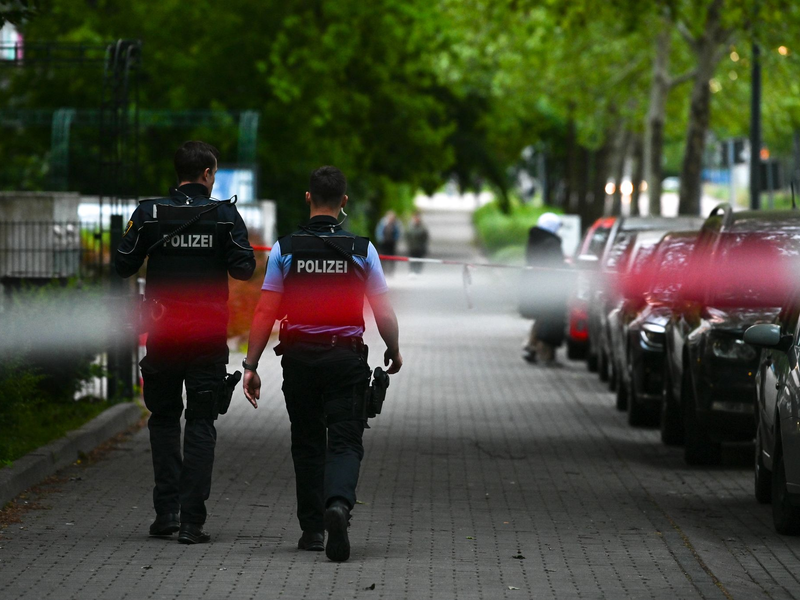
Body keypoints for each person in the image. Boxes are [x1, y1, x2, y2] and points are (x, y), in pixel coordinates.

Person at [242, 166, 403, 562]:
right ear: (344, 201)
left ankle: (313, 530)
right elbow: (382, 310)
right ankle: (339, 506)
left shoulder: (285, 248)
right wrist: (393, 349)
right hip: (346, 358)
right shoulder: (362, 250)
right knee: (345, 441)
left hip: (299, 360)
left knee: (308, 442)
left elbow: (265, 310)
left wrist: (251, 364)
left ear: (308, 197)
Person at [116, 141, 255, 544]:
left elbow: (123, 264)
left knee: (162, 419)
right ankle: (193, 522)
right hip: (207, 337)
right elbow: (244, 269)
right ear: (208, 173)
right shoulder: (225, 216)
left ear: (177, 173)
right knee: (201, 421)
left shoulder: (148, 214)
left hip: (163, 334)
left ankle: (167, 513)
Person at [521, 212, 567, 364]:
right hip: (550, 285)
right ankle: (541, 351)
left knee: (541, 317)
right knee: (548, 318)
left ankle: (532, 346)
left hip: (534, 283)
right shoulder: (551, 242)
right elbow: (556, 265)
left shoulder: (534, 239)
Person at [374, 210, 402, 276]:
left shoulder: (396, 224)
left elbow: (398, 233)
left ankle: (390, 271)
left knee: (392, 257)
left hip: (391, 243)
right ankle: (383, 270)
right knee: (383, 256)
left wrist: (395, 239)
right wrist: (380, 239)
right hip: (384, 243)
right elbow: (379, 232)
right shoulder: (382, 223)